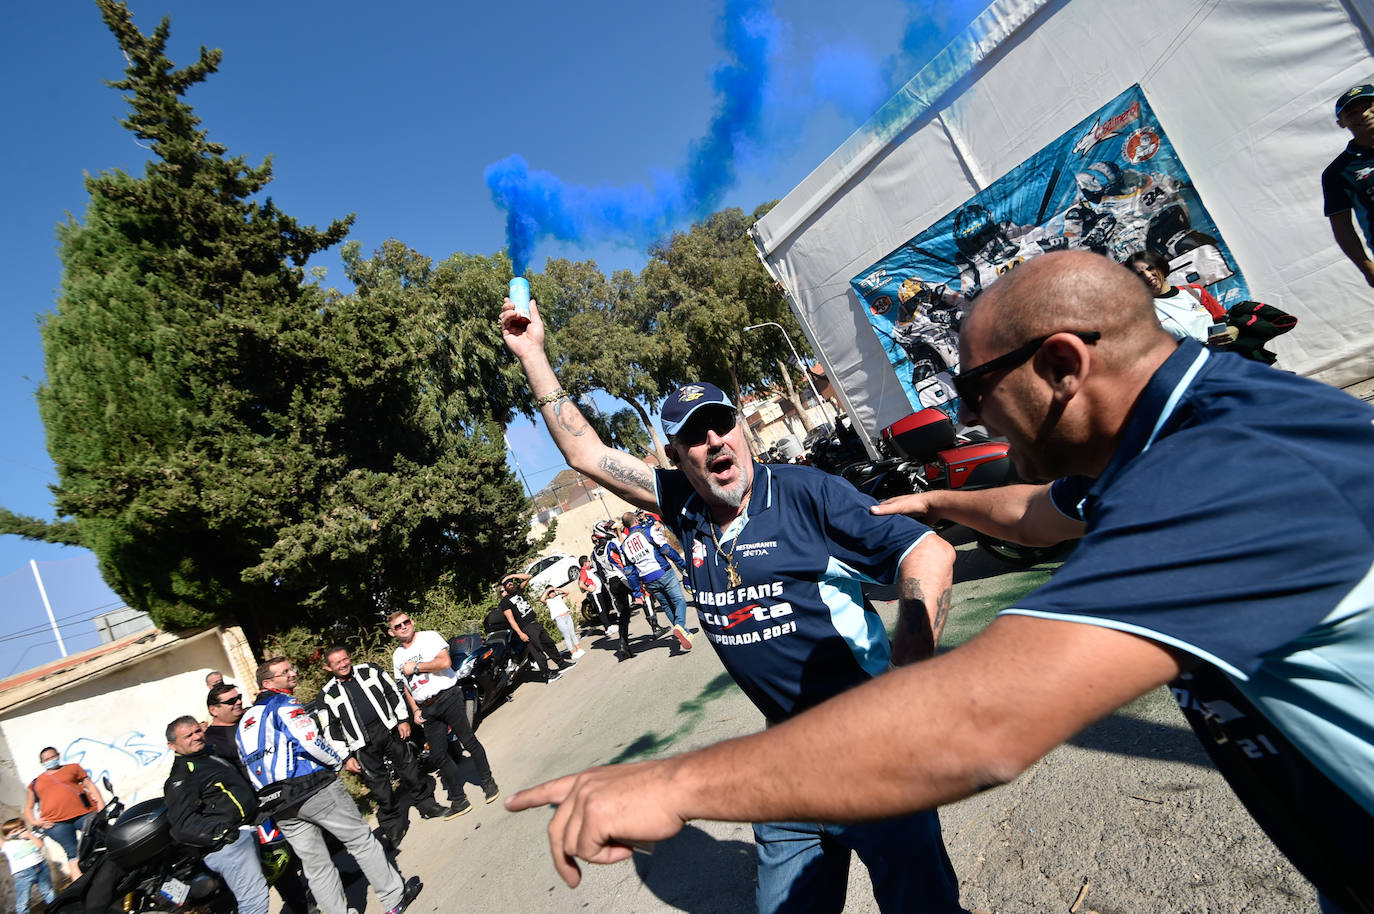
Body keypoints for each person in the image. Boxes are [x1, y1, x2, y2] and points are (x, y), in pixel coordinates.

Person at [507, 250, 1374, 914]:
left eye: (972, 386)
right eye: (690, 438)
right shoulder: (1169, 443)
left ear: (1065, 365)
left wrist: (671, 784)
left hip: (868, 743)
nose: (963, 413)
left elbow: (982, 722)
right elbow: (1044, 512)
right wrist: (937, 497)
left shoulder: (1220, 472)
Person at [501, 297, 964, 913]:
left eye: (723, 424)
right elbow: (586, 453)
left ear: (742, 428)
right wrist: (533, 354)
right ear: (677, 457)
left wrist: (910, 669)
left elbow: (928, 555)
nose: (715, 441)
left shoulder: (806, 496)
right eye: (695, 435)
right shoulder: (684, 509)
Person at [237, 658, 420, 914]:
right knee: (360, 841)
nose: (292, 673)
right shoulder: (284, 704)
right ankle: (394, 898)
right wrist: (335, 763)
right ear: (267, 683)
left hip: (278, 803)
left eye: (292, 668)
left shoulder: (245, 721)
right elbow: (310, 741)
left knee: (315, 866)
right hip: (312, 788)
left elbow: (248, 765)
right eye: (285, 672)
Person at [318, 646, 450, 846]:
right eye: (337, 663)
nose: (344, 664)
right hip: (361, 745)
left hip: (387, 730)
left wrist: (402, 720)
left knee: (410, 769)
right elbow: (331, 729)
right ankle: (393, 827)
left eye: (345, 659)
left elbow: (392, 693)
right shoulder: (327, 695)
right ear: (328, 667)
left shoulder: (370, 670)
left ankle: (427, 805)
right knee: (379, 788)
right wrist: (345, 757)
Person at [389, 612, 500, 815]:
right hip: (426, 707)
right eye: (398, 626)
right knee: (438, 755)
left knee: (468, 740)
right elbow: (406, 685)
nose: (404, 626)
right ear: (392, 632)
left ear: (412, 622)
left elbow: (445, 663)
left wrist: (416, 667)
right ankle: (460, 800)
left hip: (447, 696)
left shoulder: (429, 637)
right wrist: (414, 709)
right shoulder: (397, 656)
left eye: (406, 622)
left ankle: (487, 782)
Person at [164, 716, 270, 914]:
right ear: (172, 745)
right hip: (231, 845)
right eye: (188, 736)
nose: (196, 737)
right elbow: (181, 824)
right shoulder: (181, 776)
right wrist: (224, 834)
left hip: (250, 828)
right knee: (254, 901)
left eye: (197, 731)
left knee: (279, 876)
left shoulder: (208, 756)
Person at [22, 747, 102, 880]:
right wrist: (36, 822)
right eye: (46, 759)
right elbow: (28, 807)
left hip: (84, 814)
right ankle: (80, 888)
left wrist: (100, 804)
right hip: (57, 824)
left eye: (52, 757)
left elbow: (90, 785)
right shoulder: (35, 783)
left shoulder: (73, 768)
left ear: (58, 756)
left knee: (100, 839)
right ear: (42, 763)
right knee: (73, 853)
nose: (50, 760)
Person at [1324, 83, 1374, 287]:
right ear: (1341, 123)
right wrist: (1366, 267)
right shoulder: (1337, 172)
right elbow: (1342, 226)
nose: (1363, 114)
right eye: (1352, 113)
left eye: (1369, 105)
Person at [620, 510, 692, 652]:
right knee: (679, 601)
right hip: (662, 572)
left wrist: (636, 591)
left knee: (666, 605)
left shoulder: (624, 545)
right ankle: (680, 626)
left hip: (648, 580)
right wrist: (682, 564)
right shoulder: (648, 530)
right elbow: (666, 549)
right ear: (635, 519)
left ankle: (685, 633)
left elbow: (629, 571)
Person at [1125, 249, 1225, 343]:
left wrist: (1231, 330)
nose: (1148, 276)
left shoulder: (1194, 291)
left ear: (1161, 267)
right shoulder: (1144, 312)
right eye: (1140, 274)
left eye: (1151, 268)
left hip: (1223, 355)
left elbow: (1222, 319)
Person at [591, 520, 655, 661]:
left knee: (624, 614)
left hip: (611, 584)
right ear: (603, 531)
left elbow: (597, 572)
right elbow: (625, 558)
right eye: (609, 528)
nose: (611, 530)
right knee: (644, 596)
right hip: (622, 578)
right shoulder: (612, 543)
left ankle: (623, 644)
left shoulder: (594, 553)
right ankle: (655, 627)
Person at [498, 575, 574, 680]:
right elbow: (511, 620)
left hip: (534, 623)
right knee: (537, 651)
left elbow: (527, 577)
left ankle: (561, 664)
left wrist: (511, 575)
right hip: (526, 628)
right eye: (506, 583)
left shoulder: (519, 591)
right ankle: (547, 674)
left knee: (549, 643)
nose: (509, 584)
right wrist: (520, 634)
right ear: (504, 587)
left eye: (510, 582)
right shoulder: (505, 602)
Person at [2, 819, 53, 914]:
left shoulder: (33, 835)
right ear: (7, 836)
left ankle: (56, 909)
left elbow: (40, 845)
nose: (20, 831)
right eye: (15, 831)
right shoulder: (7, 845)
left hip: (41, 867)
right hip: (23, 874)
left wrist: (29, 835)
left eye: (21, 828)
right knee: (23, 900)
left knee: (48, 891)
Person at [540, 585, 586, 661]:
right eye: (550, 592)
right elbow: (542, 599)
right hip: (559, 619)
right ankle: (572, 653)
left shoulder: (559, 597)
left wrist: (555, 588)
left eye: (553, 592)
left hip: (567, 616)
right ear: (548, 594)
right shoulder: (548, 601)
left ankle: (579, 649)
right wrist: (547, 591)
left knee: (572, 633)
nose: (552, 593)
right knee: (567, 635)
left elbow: (567, 591)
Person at [576, 555, 615, 634]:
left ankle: (609, 625)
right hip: (594, 593)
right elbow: (581, 584)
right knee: (601, 610)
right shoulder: (583, 572)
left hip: (599, 592)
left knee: (604, 608)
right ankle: (607, 628)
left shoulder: (589, 570)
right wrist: (589, 589)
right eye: (588, 561)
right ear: (585, 563)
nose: (589, 562)